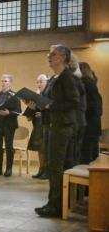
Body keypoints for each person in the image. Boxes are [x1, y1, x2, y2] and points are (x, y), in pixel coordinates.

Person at [34, 44, 80, 218]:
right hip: (54, 125)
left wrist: (51, 106)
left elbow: (74, 101)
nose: (49, 56)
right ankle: (52, 203)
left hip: (62, 126)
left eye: (52, 54)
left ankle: (56, 205)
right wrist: (39, 103)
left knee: (55, 166)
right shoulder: (55, 77)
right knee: (53, 166)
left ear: (62, 57)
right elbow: (49, 100)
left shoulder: (67, 77)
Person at [0, 74, 21, 177]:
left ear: (10, 83)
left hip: (9, 124)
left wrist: (8, 113)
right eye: (2, 81)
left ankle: (9, 169)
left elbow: (18, 111)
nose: (3, 83)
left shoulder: (14, 95)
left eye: (6, 81)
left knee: (8, 146)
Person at [63, 58, 86, 169]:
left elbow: (75, 104)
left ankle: (69, 183)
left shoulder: (74, 82)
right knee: (71, 155)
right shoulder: (76, 81)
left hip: (74, 122)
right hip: (75, 121)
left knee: (71, 157)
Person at [79, 62, 103, 163]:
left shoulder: (86, 85)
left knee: (86, 159)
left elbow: (93, 107)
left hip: (88, 127)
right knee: (90, 157)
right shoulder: (91, 85)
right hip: (92, 126)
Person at [25, 75, 48, 179]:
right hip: (38, 125)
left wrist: (43, 114)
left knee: (46, 149)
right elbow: (29, 118)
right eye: (37, 82)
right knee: (40, 149)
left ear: (46, 82)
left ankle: (47, 171)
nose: (39, 84)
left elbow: (53, 110)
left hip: (47, 125)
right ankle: (41, 169)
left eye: (41, 82)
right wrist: (30, 108)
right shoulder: (36, 96)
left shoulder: (48, 95)